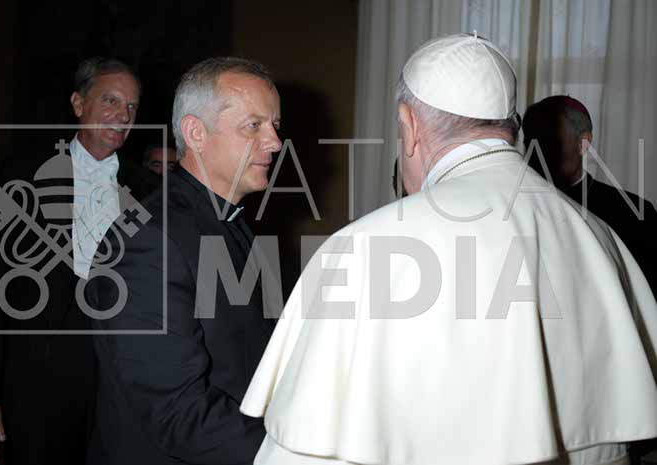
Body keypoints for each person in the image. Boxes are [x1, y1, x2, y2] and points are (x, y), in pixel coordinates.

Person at [240, 34, 657, 465]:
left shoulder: (365, 247)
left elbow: (306, 449)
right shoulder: (598, 235)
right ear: (510, 126)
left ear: (409, 126)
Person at [83, 57, 282, 465]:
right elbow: (176, 413)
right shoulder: (147, 241)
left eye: (275, 126)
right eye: (254, 126)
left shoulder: (230, 222)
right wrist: (298, 452)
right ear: (196, 133)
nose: (275, 142)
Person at [0, 57, 143, 464]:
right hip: (35, 380)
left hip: (116, 382)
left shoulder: (148, 189)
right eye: (111, 101)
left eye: (132, 106)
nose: (123, 116)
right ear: (78, 104)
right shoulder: (22, 174)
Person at [523, 95, 657, 295]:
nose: (537, 152)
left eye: (550, 140)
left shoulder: (633, 212)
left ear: (583, 143)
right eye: (530, 141)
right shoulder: (515, 204)